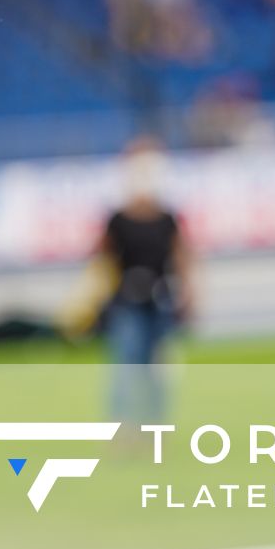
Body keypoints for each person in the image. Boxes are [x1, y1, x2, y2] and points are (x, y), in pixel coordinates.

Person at [99, 138, 195, 427]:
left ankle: (156, 428)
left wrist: (189, 293)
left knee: (158, 370)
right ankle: (122, 428)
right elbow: (103, 260)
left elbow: (182, 257)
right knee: (126, 366)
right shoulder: (117, 219)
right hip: (127, 300)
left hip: (160, 300)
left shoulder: (168, 219)